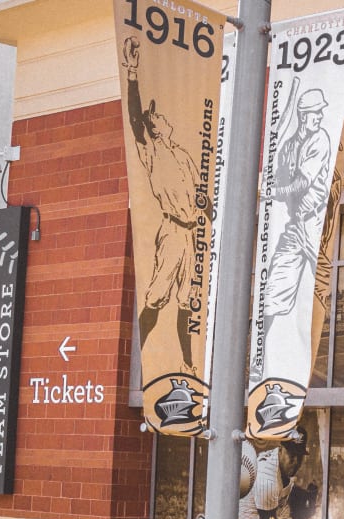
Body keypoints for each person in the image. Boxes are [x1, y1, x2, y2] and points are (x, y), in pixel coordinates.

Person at [121, 36, 205, 375]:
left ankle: (188, 362)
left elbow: (203, 197)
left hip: (192, 232)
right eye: (154, 116)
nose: (161, 117)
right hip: (171, 229)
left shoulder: (184, 155)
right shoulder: (150, 151)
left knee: (187, 301)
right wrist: (132, 72)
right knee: (157, 296)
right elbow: (133, 115)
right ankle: (141, 358)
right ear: (152, 127)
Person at [253, 88, 332, 384]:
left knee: (322, 288)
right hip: (294, 225)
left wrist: (275, 192)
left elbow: (300, 183)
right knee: (273, 291)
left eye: (322, 111)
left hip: (315, 226)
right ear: (302, 115)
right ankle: (261, 361)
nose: (320, 116)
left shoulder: (320, 138)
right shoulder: (287, 146)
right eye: (316, 112)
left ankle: (312, 361)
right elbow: (281, 177)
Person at [191, 425, 316, 519]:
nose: (295, 461)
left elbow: (281, 497)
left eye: (300, 456)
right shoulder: (268, 478)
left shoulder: (279, 468)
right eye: (291, 454)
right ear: (281, 449)